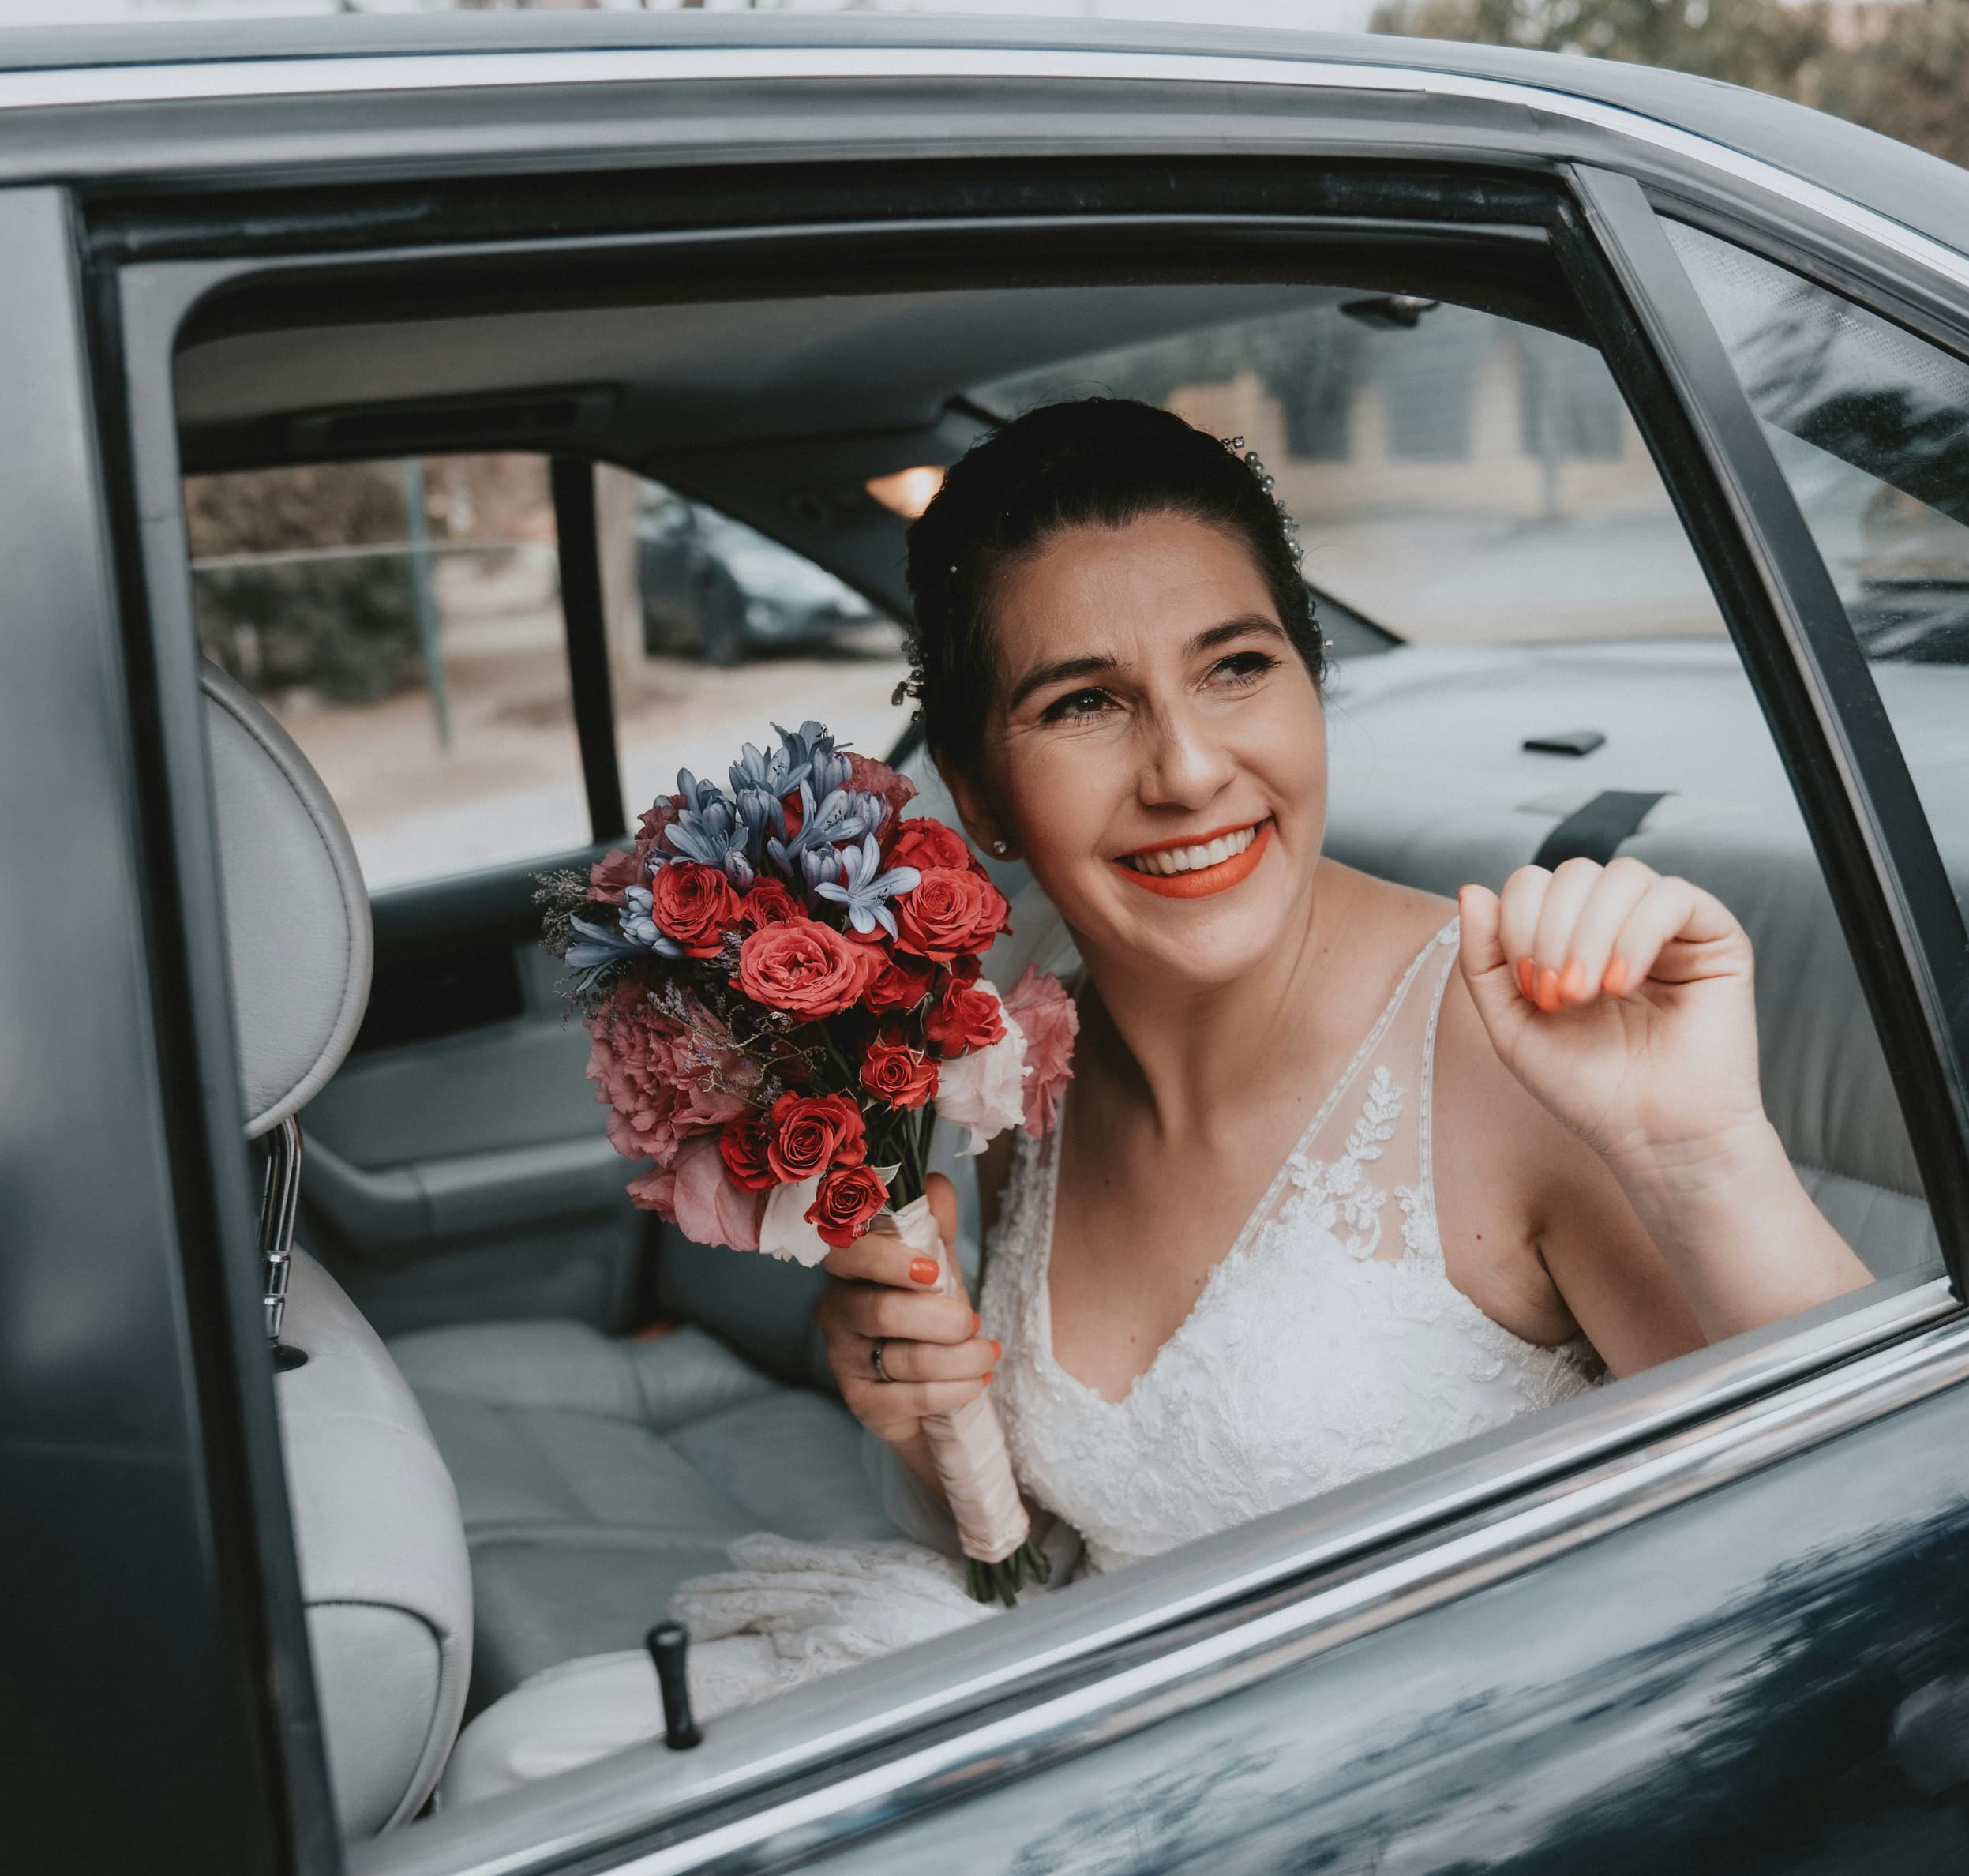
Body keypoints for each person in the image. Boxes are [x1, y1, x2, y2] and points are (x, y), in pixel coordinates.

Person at [444, 401, 1873, 1787]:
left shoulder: (1520, 1044)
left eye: (1237, 667)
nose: (1188, 768)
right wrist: (915, 1420)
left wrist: (1702, 1153)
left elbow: (1880, 1513)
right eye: (1084, 702)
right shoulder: (1015, 1048)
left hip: (1437, 1793)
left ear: (1313, 690)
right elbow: (1055, 1546)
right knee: (528, 1771)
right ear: (980, 791)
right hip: (1116, 1743)